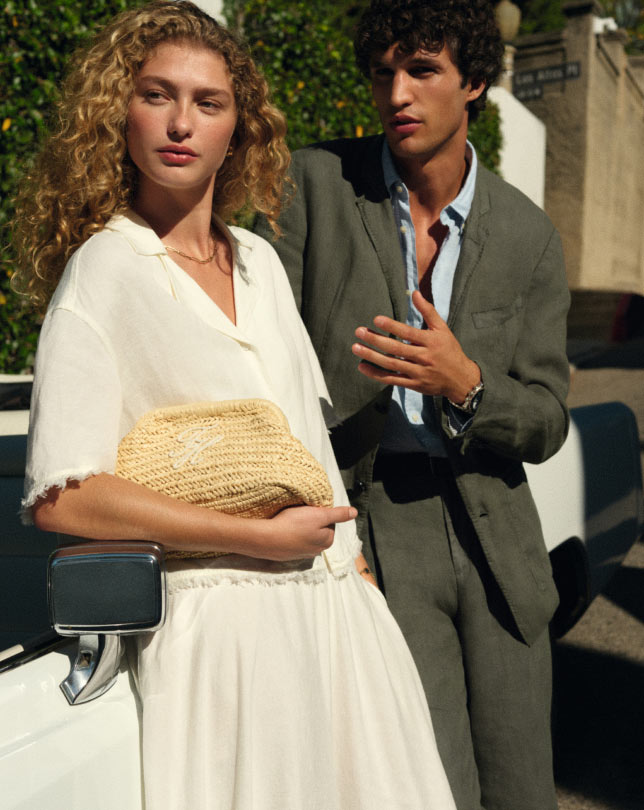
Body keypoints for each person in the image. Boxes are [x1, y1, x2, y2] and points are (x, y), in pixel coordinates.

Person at [12, 3, 456, 809]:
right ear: (119, 112)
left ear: (237, 128)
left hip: (337, 615)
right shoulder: (103, 274)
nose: (181, 122)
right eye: (157, 95)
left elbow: (305, 438)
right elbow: (63, 495)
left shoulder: (257, 260)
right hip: (222, 635)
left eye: (208, 103)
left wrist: (354, 574)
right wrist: (255, 537)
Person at [254, 1, 571, 808]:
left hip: (496, 532)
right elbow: (265, 368)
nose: (397, 93)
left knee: (520, 785)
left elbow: (546, 418)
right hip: (377, 521)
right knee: (426, 782)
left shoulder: (528, 235)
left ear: (472, 84)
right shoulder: (316, 187)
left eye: (422, 70)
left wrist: (468, 386)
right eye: (382, 73)